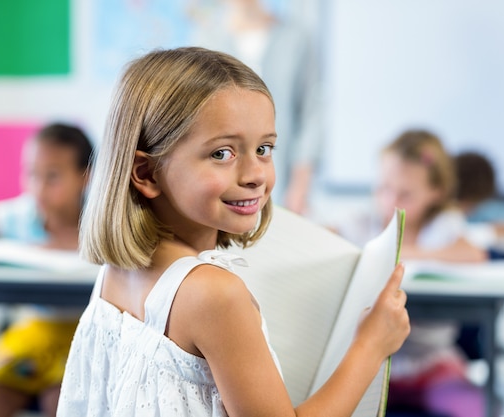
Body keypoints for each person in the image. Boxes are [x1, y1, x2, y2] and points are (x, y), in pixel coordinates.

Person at [56, 46, 410, 417]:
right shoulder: (214, 295)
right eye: (222, 153)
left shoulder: (114, 273)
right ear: (145, 173)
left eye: (264, 148)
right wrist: (370, 346)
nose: (256, 174)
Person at [338, 129, 487, 417]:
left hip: (432, 365)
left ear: (437, 192)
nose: (391, 200)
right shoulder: (364, 219)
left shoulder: (443, 225)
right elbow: (324, 236)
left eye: (405, 193)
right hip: (370, 365)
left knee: (475, 408)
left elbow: (474, 254)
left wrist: (398, 251)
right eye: (384, 188)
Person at [0, 122, 94, 417]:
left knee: (59, 404)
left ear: (85, 177)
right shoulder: (23, 215)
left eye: (53, 177)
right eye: (32, 173)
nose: (39, 187)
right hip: (33, 332)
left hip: (83, 338)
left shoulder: (99, 222)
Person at [189, 0, 323, 214]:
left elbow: (311, 115)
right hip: (225, 177)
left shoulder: (296, 38)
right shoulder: (207, 38)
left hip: (284, 179)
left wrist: (300, 185)